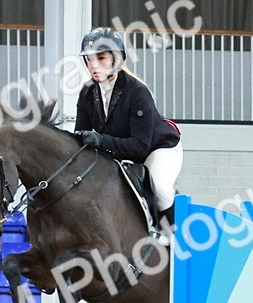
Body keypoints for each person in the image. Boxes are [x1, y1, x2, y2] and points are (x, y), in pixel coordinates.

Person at [73, 27, 183, 228]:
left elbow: (140, 146)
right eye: (89, 59)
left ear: (116, 59)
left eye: (101, 58)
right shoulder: (87, 93)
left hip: (157, 148)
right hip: (120, 152)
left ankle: (174, 239)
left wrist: (101, 140)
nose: (93, 65)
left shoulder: (137, 92)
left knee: (159, 188)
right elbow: (81, 137)